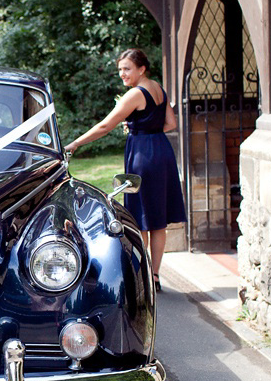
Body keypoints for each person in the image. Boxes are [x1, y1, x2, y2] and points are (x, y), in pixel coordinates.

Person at [65, 48, 186, 291]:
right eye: (120, 69)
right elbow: (171, 123)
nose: (122, 73)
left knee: (141, 216)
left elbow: (106, 125)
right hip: (161, 151)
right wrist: (146, 129)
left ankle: (141, 277)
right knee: (158, 220)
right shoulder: (158, 89)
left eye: (127, 68)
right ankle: (155, 275)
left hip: (143, 155)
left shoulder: (135, 94)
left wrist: (76, 143)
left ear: (142, 69)